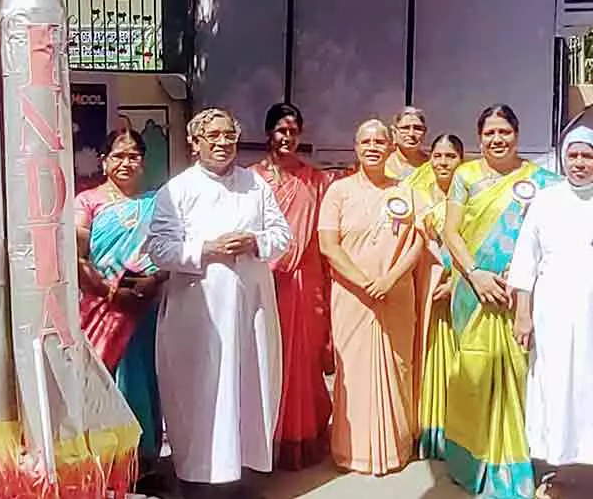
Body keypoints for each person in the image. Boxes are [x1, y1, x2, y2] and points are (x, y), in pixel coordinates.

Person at [144, 108, 292, 497]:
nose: (223, 143)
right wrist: (206, 249)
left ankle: (241, 477)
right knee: (202, 392)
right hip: (199, 314)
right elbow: (159, 248)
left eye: (229, 135)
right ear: (195, 143)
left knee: (248, 388)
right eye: (213, 136)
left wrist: (255, 241)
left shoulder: (255, 185)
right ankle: (196, 480)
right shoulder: (177, 190)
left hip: (250, 310)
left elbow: (282, 235)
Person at [511, 127, 593, 499]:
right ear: (564, 159)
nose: (580, 163)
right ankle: (562, 472)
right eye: (573, 156)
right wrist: (523, 313)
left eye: (587, 155)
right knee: (559, 392)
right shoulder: (546, 201)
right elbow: (526, 261)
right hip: (554, 318)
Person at [441, 105, 563, 499]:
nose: (497, 139)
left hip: (520, 296)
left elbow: (553, 236)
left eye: (504, 132)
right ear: (479, 138)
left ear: (517, 134)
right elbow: (450, 232)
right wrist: (475, 273)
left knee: (522, 373)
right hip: (473, 292)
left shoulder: (544, 181)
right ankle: (472, 461)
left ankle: (520, 460)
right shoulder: (465, 176)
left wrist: (525, 274)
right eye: (490, 133)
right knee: (473, 372)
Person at [319, 119, 424, 475]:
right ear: (356, 147)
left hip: (396, 294)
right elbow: (328, 246)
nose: (373, 147)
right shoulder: (339, 191)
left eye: (380, 141)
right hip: (353, 297)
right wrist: (365, 283)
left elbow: (419, 241)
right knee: (354, 371)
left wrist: (391, 279)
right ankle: (354, 451)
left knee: (398, 367)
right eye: (366, 142)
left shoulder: (407, 191)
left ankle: (396, 447)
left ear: (390, 147)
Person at [76, 128, 171, 487]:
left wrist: (155, 280)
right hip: (101, 309)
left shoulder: (157, 203)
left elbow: (169, 250)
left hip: (145, 308)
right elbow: (78, 257)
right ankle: (104, 465)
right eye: (118, 155)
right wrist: (110, 293)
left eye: (133, 156)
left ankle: (144, 463)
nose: (126, 162)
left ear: (143, 162)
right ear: (104, 161)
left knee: (143, 381)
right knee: (104, 381)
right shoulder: (86, 202)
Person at [251, 102, 334, 470]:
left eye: (293, 132)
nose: (287, 137)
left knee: (303, 360)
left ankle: (301, 438)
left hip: (305, 281)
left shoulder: (316, 181)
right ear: (268, 132)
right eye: (281, 130)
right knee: (265, 356)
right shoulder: (251, 179)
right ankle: (262, 441)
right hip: (264, 281)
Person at [411, 133, 465, 459]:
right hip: (426, 288)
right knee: (429, 357)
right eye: (438, 156)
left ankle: (457, 432)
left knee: (458, 361)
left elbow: (472, 244)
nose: (443, 162)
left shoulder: (468, 197)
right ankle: (430, 432)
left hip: (459, 289)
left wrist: (455, 281)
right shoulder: (417, 195)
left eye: (450, 156)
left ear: (461, 160)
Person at [387, 106, 431, 181]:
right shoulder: (383, 164)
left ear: (424, 133)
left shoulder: (433, 164)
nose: (411, 134)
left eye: (417, 128)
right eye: (405, 128)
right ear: (394, 132)